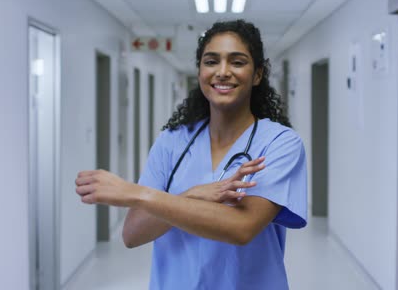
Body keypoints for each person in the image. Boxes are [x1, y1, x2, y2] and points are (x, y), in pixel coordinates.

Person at [75, 19, 307, 290]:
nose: (222, 72)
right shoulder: (172, 142)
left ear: (257, 74)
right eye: (211, 61)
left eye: (237, 62)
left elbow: (242, 228)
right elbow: (133, 234)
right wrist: (192, 193)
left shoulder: (279, 143)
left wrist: (135, 193)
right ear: (199, 72)